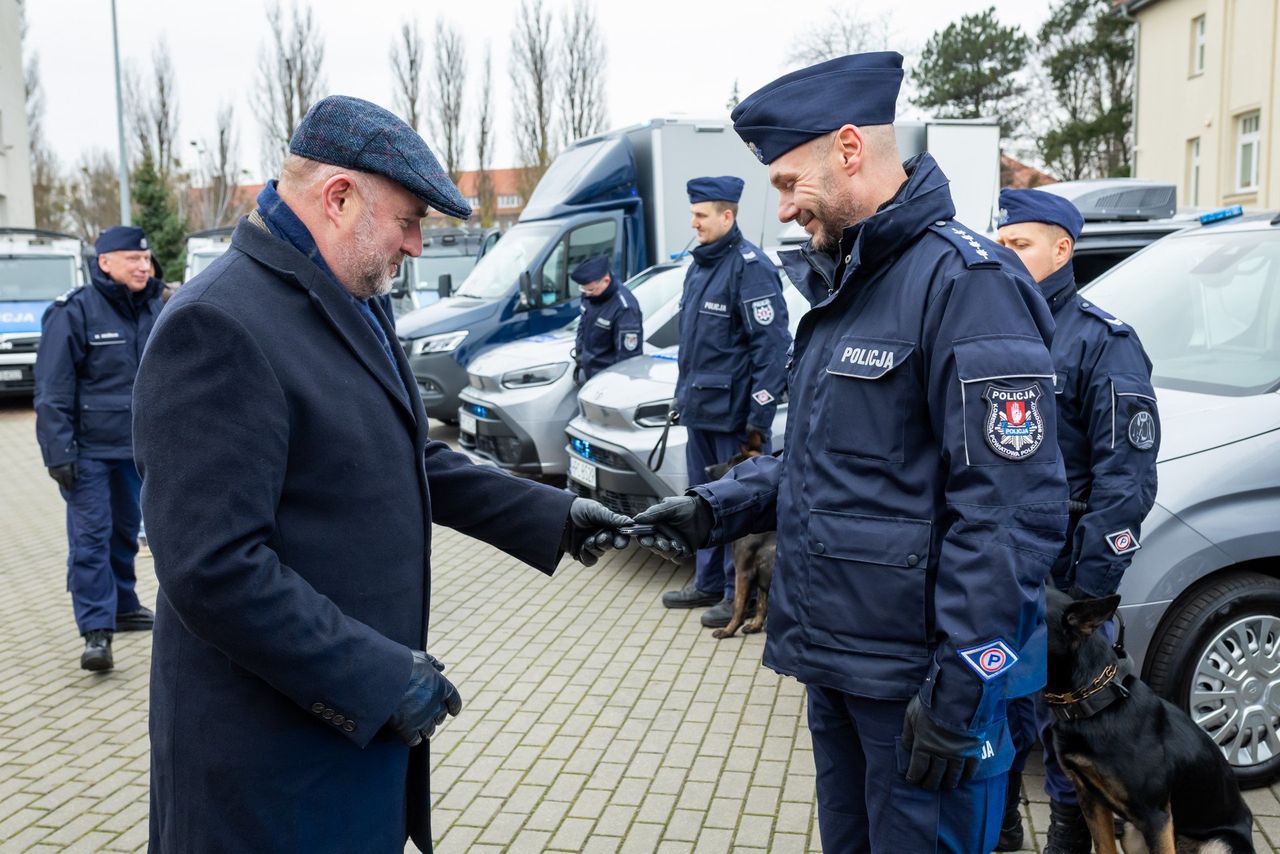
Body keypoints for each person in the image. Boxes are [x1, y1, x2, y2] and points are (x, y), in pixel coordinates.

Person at [131, 95, 632, 853]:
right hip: (271, 771)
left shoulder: (352, 300)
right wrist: (375, 677)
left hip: (347, 749)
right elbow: (212, 568)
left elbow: (405, 454)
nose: (417, 246)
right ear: (339, 198)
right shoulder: (219, 324)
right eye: (408, 221)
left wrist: (553, 515)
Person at [635, 52, 1069, 853]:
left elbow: (1011, 514)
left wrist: (963, 689)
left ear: (847, 149)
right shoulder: (847, 290)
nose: (786, 209)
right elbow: (823, 469)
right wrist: (708, 510)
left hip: (918, 687)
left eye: (787, 183)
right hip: (838, 668)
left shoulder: (964, 284)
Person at [994, 188, 1160, 853]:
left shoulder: (1103, 342)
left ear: (1062, 249)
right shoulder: (991, 332)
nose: (1007, 257)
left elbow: (1126, 483)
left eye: (1021, 244)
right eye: (1000, 244)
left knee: (1072, 735)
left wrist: (1081, 599)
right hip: (997, 576)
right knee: (996, 721)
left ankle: (1070, 839)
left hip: (1065, 588)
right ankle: (1001, 839)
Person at [660, 175, 791, 630]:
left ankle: (737, 594)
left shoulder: (749, 267)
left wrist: (758, 421)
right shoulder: (700, 267)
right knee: (701, 503)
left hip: (736, 419)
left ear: (727, 215)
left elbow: (771, 349)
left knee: (735, 509)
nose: (693, 223)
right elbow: (695, 347)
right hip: (701, 411)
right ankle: (707, 581)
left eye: (701, 215)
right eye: (693, 214)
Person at [34, 226, 163, 672]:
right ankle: (96, 631)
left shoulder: (156, 307)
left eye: (145, 260)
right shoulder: (74, 312)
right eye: (132, 259)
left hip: (137, 449)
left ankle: (124, 606)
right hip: (87, 452)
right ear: (105, 262)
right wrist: (58, 453)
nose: (143, 266)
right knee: (90, 539)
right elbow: (51, 391)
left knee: (126, 533)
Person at [571, 255, 643, 382]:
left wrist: (613, 384)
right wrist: (580, 356)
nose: (587, 293)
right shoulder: (590, 296)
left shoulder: (624, 308)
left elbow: (628, 358)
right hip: (590, 375)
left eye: (591, 289)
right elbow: (582, 328)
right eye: (584, 289)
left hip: (609, 381)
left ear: (606, 280)